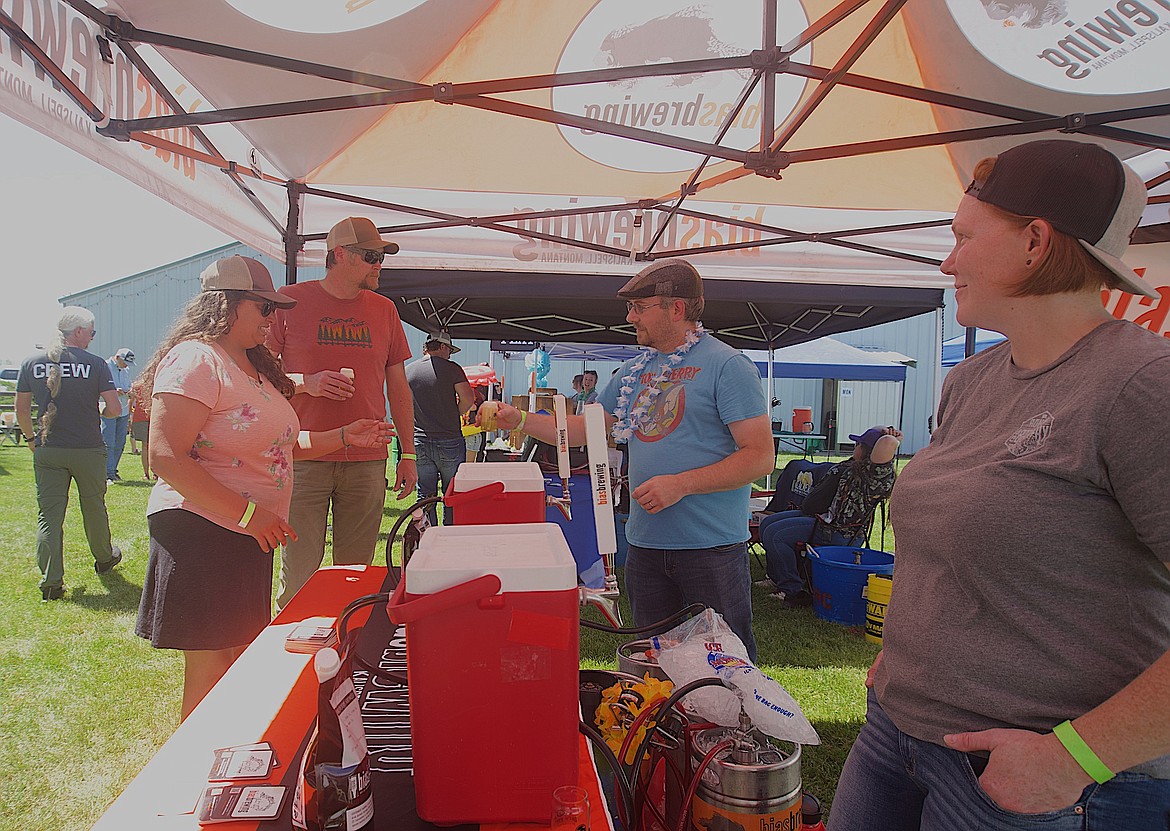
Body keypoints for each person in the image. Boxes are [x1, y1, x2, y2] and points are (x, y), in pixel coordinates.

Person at [830, 139, 1170, 829]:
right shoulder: (972, 381)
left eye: (961, 237)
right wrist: (911, 658)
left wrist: (1076, 755)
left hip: (1031, 778)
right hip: (897, 732)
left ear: (1035, 242)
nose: (948, 260)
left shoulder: (1139, 385)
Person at [134, 255, 395, 721]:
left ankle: (228, 760)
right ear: (227, 305)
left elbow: (280, 448)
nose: (274, 318)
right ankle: (198, 774)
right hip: (204, 530)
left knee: (237, 658)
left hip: (244, 531)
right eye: (264, 308)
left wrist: (343, 436)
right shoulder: (197, 358)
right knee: (212, 662)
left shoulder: (254, 366)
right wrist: (250, 516)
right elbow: (165, 455)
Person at [478, 259, 773, 659]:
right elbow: (584, 429)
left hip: (711, 549)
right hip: (645, 544)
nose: (629, 316)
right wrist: (520, 419)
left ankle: (729, 724)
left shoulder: (727, 365)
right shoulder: (635, 371)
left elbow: (760, 458)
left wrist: (681, 484)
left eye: (639, 306)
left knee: (724, 663)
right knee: (656, 659)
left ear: (676, 309)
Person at [266, 216, 417, 609]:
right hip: (305, 456)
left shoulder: (384, 310)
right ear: (339, 256)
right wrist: (305, 382)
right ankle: (292, 657)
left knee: (355, 574)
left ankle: (346, 655)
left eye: (381, 256)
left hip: (367, 461)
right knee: (299, 573)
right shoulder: (289, 300)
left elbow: (398, 388)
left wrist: (409, 453)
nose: (378, 264)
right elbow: (256, 375)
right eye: (371, 256)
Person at [15, 307, 123, 601]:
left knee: (49, 516)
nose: (92, 337)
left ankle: (51, 581)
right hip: (88, 448)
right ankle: (104, 558)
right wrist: (100, 409)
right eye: (91, 332)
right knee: (93, 507)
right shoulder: (96, 364)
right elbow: (114, 409)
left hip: (49, 448)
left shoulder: (31, 362)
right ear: (79, 332)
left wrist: (30, 438)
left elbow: (21, 409)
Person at [755, 425, 900, 607]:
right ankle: (776, 577)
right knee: (768, 522)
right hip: (822, 519)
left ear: (867, 450)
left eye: (859, 444)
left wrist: (893, 437)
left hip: (837, 532)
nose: (854, 446)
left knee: (776, 535)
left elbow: (887, 443)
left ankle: (792, 589)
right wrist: (883, 430)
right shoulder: (854, 466)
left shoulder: (873, 477)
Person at [406, 331, 474, 525]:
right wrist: (454, 413)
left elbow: (401, 404)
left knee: (425, 495)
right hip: (449, 439)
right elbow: (468, 399)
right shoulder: (452, 369)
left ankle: (426, 536)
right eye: (450, 350)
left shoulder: (409, 370)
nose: (450, 355)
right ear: (443, 347)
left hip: (419, 439)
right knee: (452, 493)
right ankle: (450, 536)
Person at [102, 347, 134, 482]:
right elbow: (100, 387)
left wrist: (129, 390)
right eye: (125, 362)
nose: (127, 365)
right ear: (118, 358)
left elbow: (128, 385)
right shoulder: (105, 366)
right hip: (108, 409)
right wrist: (115, 390)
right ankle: (107, 473)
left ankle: (113, 470)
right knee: (108, 441)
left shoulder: (125, 370)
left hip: (124, 409)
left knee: (120, 442)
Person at [129, 384, 153, 480]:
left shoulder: (157, 384)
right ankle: (147, 473)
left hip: (152, 417)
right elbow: (131, 400)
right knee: (146, 446)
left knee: (150, 446)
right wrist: (129, 414)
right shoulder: (138, 386)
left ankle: (153, 473)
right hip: (142, 418)